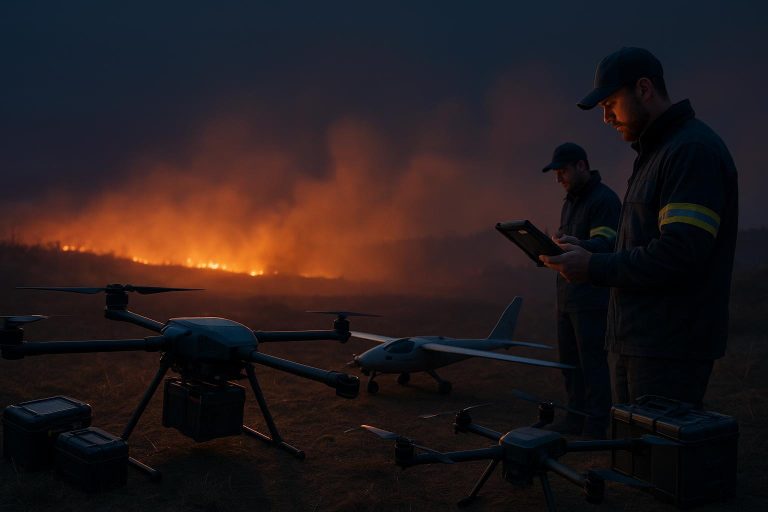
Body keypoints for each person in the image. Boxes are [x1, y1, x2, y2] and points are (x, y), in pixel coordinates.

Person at [540, 47, 738, 408]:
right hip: (639, 340)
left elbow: (678, 253)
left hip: (670, 346)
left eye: (610, 104)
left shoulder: (690, 151)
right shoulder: (657, 153)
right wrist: (587, 252)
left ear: (644, 89)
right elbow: (641, 244)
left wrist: (593, 267)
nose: (606, 118)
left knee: (659, 461)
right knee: (634, 460)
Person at [541, 142, 620, 438]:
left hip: (591, 297)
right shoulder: (570, 201)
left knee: (592, 365)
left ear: (582, 166)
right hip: (567, 298)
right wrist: (554, 246)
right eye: (556, 173)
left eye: (562, 171)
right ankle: (575, 418)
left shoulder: (605, 201)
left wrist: (571, 245)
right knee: (570, 364)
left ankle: (597, 424)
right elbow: (573, 241)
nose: (558, 178)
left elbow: (605, 246)